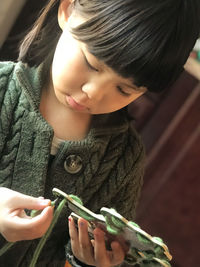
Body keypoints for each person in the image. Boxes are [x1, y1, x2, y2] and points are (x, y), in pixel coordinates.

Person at [0, 0, 199, 266]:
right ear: (68, 10)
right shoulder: (3, 91)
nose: (94, 92)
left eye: (124, 90)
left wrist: (90, 261)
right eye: (92, 64)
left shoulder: (124, 160)